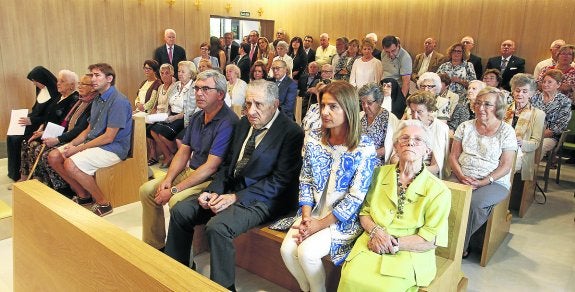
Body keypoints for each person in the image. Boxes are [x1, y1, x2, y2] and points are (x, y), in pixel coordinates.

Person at [164, 80, 304, 291]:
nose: (251, 111)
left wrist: (235, 198)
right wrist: (211, 191)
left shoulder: (291, 132)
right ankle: (177, 272)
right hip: (233, 188)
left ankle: (223, 287)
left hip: (266, 199)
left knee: (218, 227)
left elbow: (279, 182)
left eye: (258, 104)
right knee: (181, 210)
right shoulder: (243, 124)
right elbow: (228, 166)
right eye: (248, 104)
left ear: (275, 104)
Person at [281, 81, 377, 292]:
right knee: (287, 251)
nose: (324, 112)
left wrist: (319, 225)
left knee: (306, 253)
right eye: (323, 105)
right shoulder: (314, 137)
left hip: (344, 219)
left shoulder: (364, 147)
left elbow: (355, 198)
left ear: (349, 109)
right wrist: (307, 217)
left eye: (333, 106)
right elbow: (305, 179)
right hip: (313, 211)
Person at [339, 120, 451, 291]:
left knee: (389, 288)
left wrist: (393, 243)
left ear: (427, 150)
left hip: (409, 252)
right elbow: (365, 212)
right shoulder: (378, 174)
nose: (410, 142)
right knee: (350, 277)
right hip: (371, 242)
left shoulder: (438, 190)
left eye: (418, 139)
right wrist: (376, 232)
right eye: (404, 138)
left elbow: (431, 239)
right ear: (396, 147)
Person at [141, 70, 239, 251]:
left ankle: (182, 256)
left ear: (220, 95)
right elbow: (184, 151)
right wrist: (168, 180)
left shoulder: (228, 121)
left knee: (176, 200)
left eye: (205, 89)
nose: (199, 93)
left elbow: (211, 167)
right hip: (192, 171)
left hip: (211, 179)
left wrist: (174, 189)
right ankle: (155, 246)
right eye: (197, 88)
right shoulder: (197, 116)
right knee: (147, 190)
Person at [55, 63, 132, 216]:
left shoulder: (118, 101)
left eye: (97, 75)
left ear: (109, 79)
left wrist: (78, 149)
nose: (93, 79)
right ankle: (83, 195)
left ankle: (104, 203)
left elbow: (109, 137)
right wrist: (72, 144)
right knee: (54, 156)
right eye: (92, 75)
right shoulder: (97, 98)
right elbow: (89, 129)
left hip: (114, 148)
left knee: (70, 164)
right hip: (96, 143)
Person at [449, 87, 517, 257]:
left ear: (498, 108)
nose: (481, 108)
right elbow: (453, 156)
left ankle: (457, 248)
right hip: (462, 175)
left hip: (493, 181)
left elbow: (506, 165)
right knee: (443, 196)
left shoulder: (507, 131)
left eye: (487, 104)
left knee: (474, 204)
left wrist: (482, 182)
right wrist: (462, 176)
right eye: (478, 103)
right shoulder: (465, 126)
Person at [18, 70, 80, 182]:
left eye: (62, 81)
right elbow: (47, 117)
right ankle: (27, 178)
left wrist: (44, 133)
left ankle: (45, 182)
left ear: (72, 85)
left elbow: (65, 125)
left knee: (37, 148)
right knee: (26, 142)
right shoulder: (59, 97)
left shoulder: (74, 100)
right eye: (58, 80)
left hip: (59, 135)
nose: (58, 83)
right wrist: (40, 129)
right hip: (47, 131)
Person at [42, 75, 96, 193]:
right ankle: (53, 185)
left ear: (92, 87)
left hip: (82, 139)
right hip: (73, 137)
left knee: (50, 155)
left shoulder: (93, 103)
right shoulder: (80, 101)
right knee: (41, 148)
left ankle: (67, 189)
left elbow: (81, 129)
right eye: (79, 83)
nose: (79, 86)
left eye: (83, 84)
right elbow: (66, 123)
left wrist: (58, 139)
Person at [7, 66, 58, 181]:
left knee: (18, 140)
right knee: (11, 137)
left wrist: (32, 120)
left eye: (35, 81)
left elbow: (50, 116)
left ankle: (21, 174)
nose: (35, 84)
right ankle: (13, 173)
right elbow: (36, 110)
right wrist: (28, 117)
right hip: (33, 122)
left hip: (41, 125)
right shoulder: (41, 90)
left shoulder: (55, 93)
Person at [150, 61, 197, 168]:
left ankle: (176, 155)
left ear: (190, 74)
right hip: (171, 115)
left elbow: (190, 110)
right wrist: (165, 115)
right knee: (153, 130)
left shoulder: (193, 87)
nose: (180, 74)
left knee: (163, 134)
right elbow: (168, 104)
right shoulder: (176, 85)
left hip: (183, 117)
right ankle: (169, 155)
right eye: (179, 71)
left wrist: (174, 117)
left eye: (183, 72)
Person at [505, 74, 546, 180]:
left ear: (531, 94)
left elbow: (536, 143)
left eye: (524, 91)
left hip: (521, 154)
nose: (520, 94)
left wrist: (521, 143)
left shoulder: (538, 114)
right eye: (517, 90)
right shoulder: (503, 109)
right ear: (513, 91)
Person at [401, 91, 450, 178]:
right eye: (412, 111)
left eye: (419, 112)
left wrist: (414, 171)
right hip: (403, 170)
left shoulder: (440, 128)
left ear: (429, 111)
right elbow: (395, 157)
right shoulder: (406, 125)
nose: (415, 116)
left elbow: (436, 167)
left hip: (427, 173)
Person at [530, 69, 572, 154]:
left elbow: (559, 127)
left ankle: (531, 167)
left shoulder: (565, 101)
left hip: (549, 137)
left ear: (558, 84)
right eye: (544, 81)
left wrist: (537, 136)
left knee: (539, 146)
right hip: (529, 132)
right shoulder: (534, 96)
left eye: (549, 82)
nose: (545, 84)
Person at [358, 82, 398, 165]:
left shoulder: (389, 119)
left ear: (379, 101)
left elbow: (391, 146)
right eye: (362, 102)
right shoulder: (360, 116)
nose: (365, 106)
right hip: (357, 158)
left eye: (369, 103)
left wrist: (368, 155)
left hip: (377, 162)